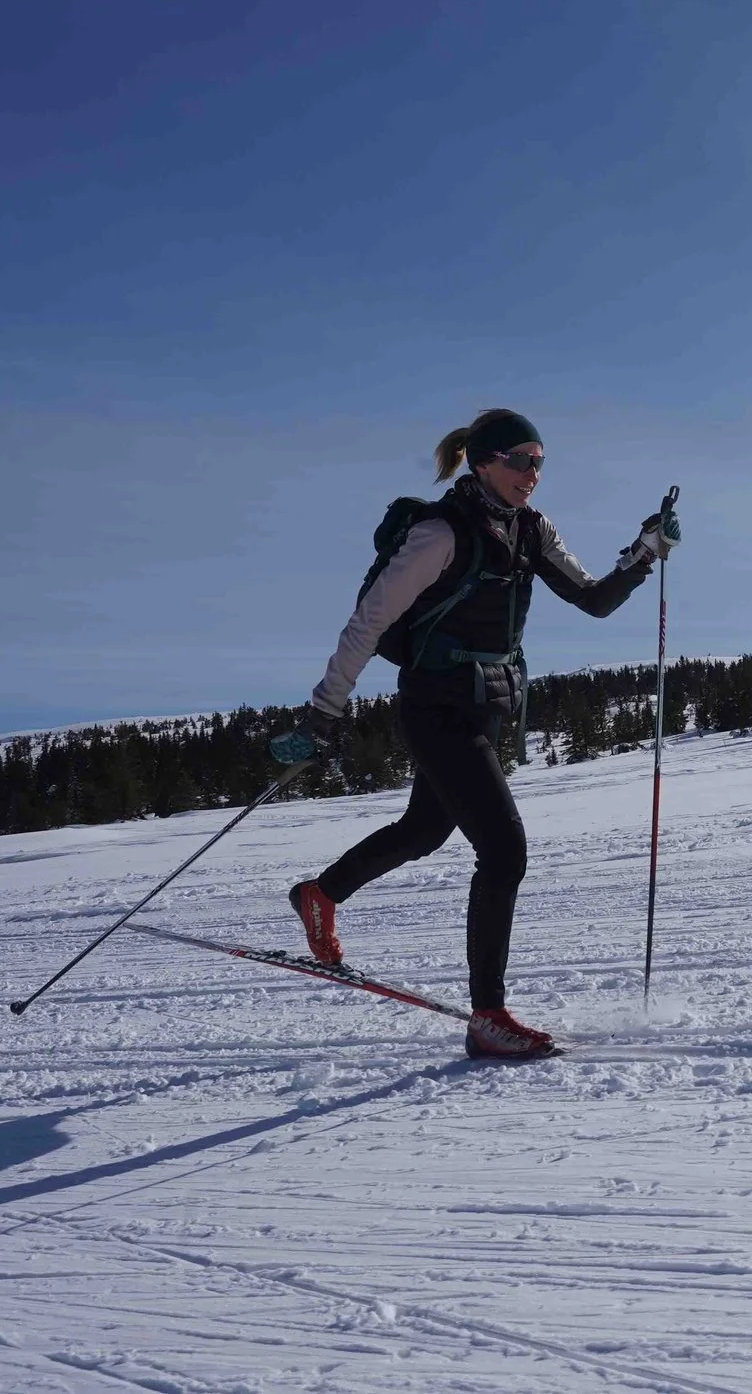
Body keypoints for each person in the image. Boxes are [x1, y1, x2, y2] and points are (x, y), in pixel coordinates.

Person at [272, 408, 675, 1059]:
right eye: (520, 460)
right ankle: (488, 1015)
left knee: (425, 830)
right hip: (435, 708)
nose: (532, 474)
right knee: (505, 849)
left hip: (486, 706)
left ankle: (319, 895)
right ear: (482, 461)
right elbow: (367, 624)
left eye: (539, 461)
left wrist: (644, 552)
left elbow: (594, 597)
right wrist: (326, 710)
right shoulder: (439, 532)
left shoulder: (532, 530)